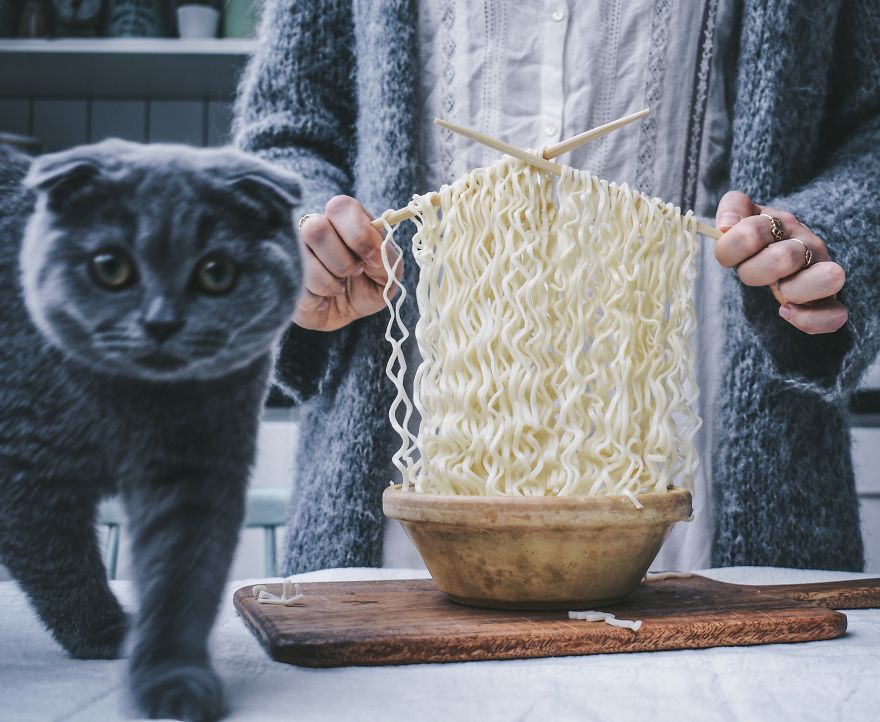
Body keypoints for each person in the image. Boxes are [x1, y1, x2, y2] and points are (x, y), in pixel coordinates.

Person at [234, 0, 880, 574]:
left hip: (709, 523)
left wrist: (818, 245)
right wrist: (304, 239)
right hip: (402, 527)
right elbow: (285, 132)